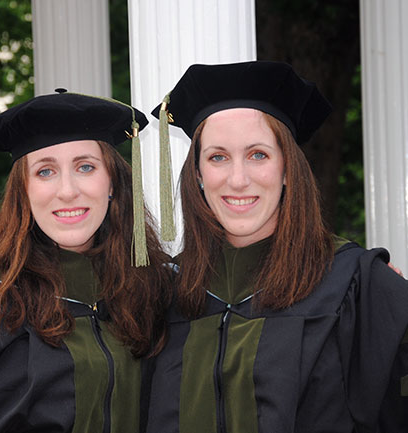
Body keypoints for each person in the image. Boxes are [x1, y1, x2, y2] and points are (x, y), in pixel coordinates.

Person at [145, 61, 408, 432]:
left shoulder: (355, 285)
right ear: (199, 175)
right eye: (218, 157)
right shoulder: (165, 292)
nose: (238, 179)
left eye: (258, 155)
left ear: (287, 169)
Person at [0, 91, 171, 432]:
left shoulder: (153, 291)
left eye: (86, 167)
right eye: (45, 172)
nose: (67, 190)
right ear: (24, 191)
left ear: (112, 183)